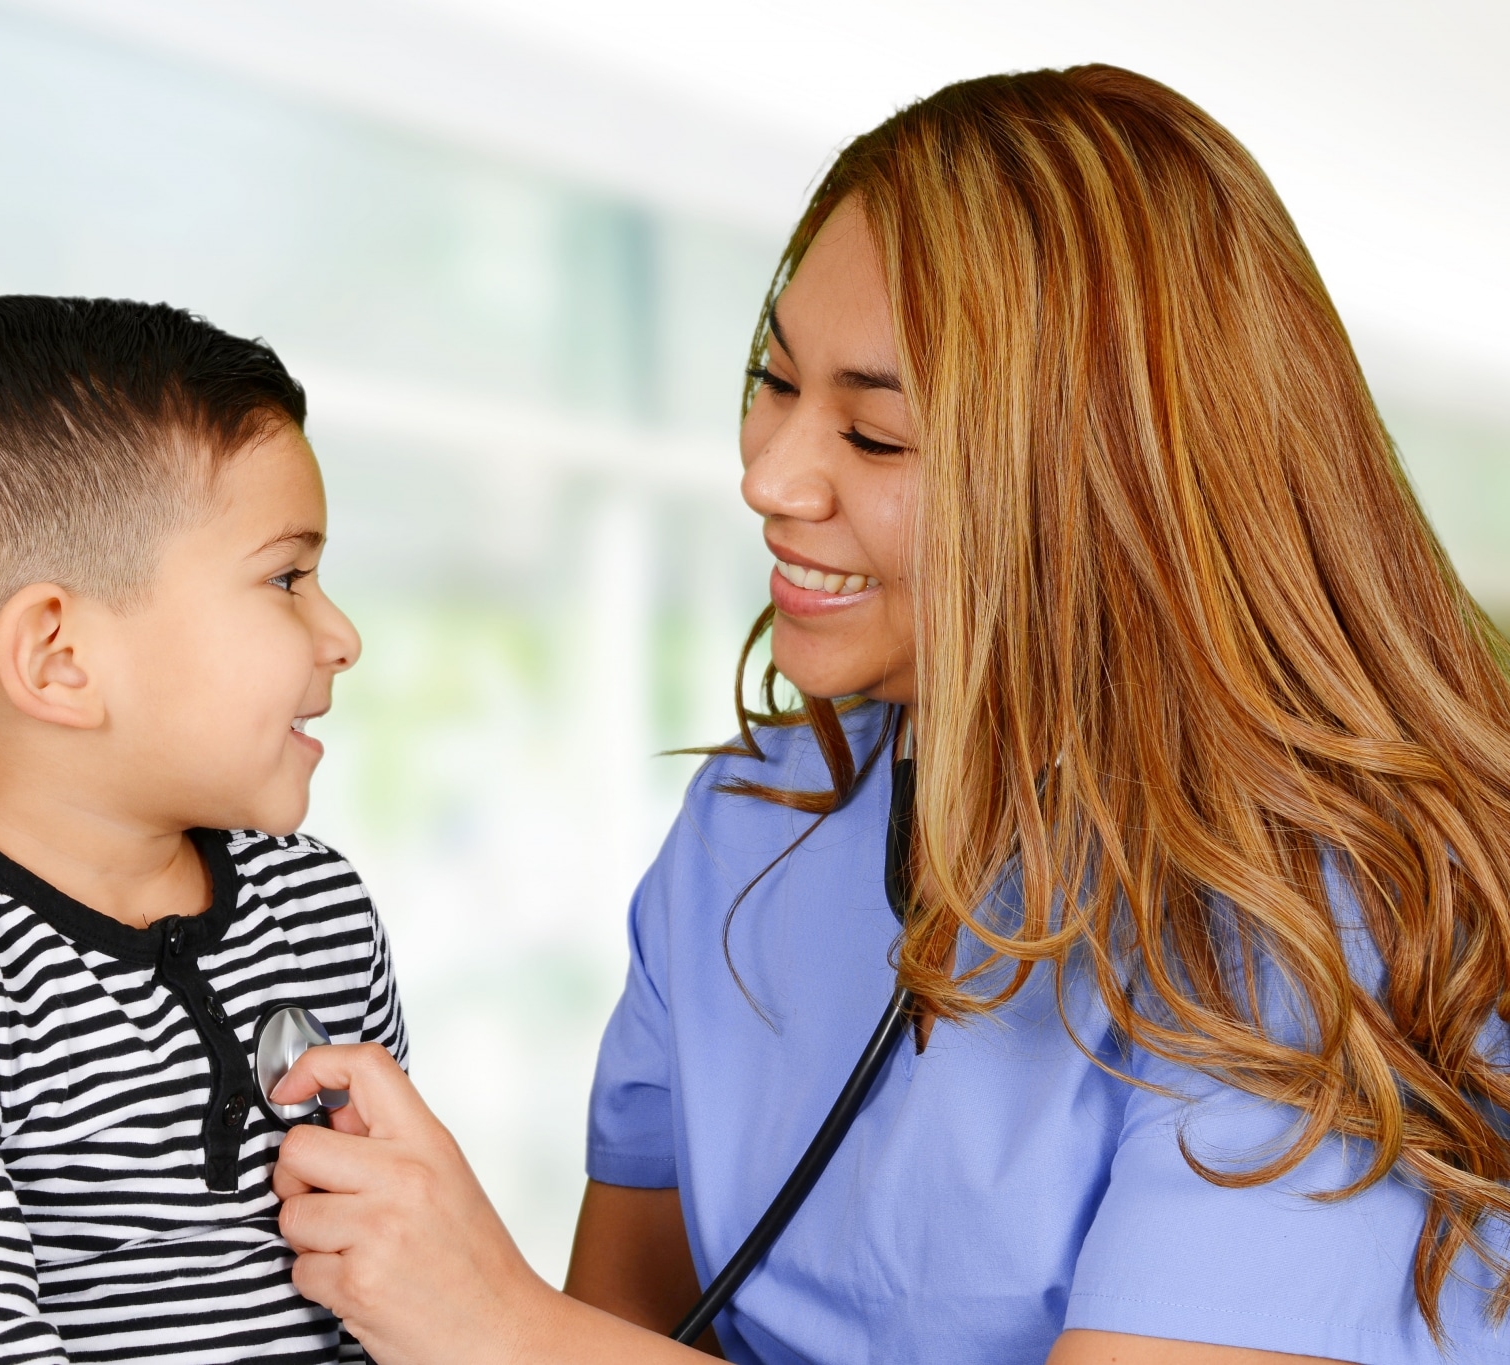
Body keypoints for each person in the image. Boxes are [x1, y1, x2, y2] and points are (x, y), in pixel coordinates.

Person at [265, 65, 1510, 1365]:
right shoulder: (747, 831)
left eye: (873, 435)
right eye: (773, 378)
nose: (768, 473)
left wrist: (495, 1320)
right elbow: (632, 1324)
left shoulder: (1327, 936)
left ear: (1111, 480)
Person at [0, 297, 407, 1365]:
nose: (339, 635)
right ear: (59, 658)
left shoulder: (319, 911)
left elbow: (403, 1296)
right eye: (286, 578)